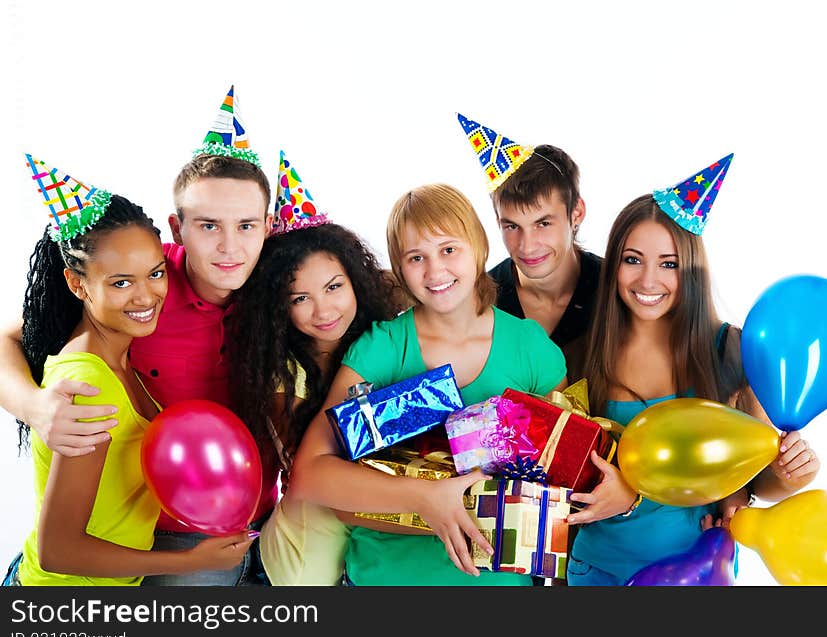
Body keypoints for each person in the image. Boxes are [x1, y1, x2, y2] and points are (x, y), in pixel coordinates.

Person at [0, 87, 276, 585]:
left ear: (267, 227)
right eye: (209, 225)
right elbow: (13, 337)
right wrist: (35, 407)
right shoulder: (139, 296)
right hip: (164, 537)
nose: (229, 246)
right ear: (179, 228)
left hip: (265, 524)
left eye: (246, 225)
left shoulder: (284, 290)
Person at [286, 182, 568, 585]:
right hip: (386, 578)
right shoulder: (380, 349)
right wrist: (425, 499)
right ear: (400, 269)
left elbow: (564, 477)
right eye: (416, 257)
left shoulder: (531, 349)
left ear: (478, 247)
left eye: (449, 249)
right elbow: (310, 474)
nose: (435, 271)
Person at [565, 154, 821, 586]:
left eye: (669, 263)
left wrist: (795, 473)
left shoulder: (729, 351)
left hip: (695, 573)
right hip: (596, 571)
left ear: (692, 270)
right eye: (632, 259)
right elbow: (565, 482)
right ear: (613, 266)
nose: (649, 280)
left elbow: (750, 485)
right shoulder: (580, 357)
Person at [227, 152, 402, 585]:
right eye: (299, 298)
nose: (323, 309)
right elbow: (320, 478)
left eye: (333, 287)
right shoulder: (283, 376)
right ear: (279, 308)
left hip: (381, 521)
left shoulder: (384, 336)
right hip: (311, 538)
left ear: (356, 280)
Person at [456, 114, 602, 382]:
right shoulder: (481, 299)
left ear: (576, 212)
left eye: (543, 223)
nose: (527, 246)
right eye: (512, 226)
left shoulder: (616, 288)